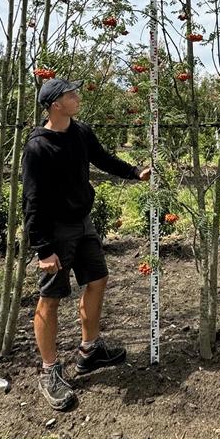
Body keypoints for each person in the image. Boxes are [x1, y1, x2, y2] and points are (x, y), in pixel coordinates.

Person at [22, 76, 150, 410]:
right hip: (55, 230)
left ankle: (90, 349)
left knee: (97, 278)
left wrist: (134, 172)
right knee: (50, 297)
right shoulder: (38, 147)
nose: (77, 97)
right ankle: (50, 370)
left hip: (82, 223)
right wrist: (43, 249)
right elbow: (32, 201)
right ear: (55, 105)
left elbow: (102, 158)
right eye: (70, 94)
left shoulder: (79, 131)